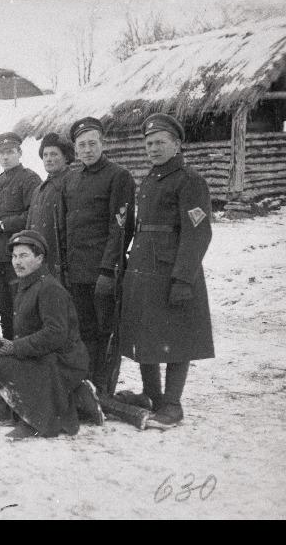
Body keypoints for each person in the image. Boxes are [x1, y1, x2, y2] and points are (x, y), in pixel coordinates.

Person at [118, 114, 214, 430]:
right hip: (143, 269)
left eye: (160, 142)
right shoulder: (150, 179)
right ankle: (152, 395)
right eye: (149, 143)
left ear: (176, 144)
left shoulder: (190, 181)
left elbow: (198, 233)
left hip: (172, 273)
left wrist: (183, 278)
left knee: (177, 337)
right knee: (147, 332)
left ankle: (172, 404)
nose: (154, 148)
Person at [0, 230, 100, 439]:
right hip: (42, 353)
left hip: (65, 359)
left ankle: (35, 421)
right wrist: (10, 345)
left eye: (24, 256)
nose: (17, 262)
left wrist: (16, 348)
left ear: (39, 258)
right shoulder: (27, 285)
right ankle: (74, 398)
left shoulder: (49, 288)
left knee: (17, 368)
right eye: (14, 256)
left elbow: (56, 334)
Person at [62, 117, 136, 393]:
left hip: (104, 273)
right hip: (77, 271)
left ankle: (105, 389)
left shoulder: (118, 176)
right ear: (76, 149)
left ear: (102, 144)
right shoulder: (72, 179)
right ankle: (88, 385)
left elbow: (121, 228)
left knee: (106, 332)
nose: (88, 150)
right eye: (82, 145)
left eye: (93, 144)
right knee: (83, 331)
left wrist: (109, 270)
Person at [0, 132, 42, 339]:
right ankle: (8, 349)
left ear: (19, 153)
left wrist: (3, 225)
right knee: (3, 308)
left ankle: (24, 352)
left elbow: (32, 215)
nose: (5, 157)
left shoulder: (30, 179)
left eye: (9, 152)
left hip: (20, 256)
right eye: (1, 153)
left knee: (22, 308)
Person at [26, 133, 75, 279]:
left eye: (54, 154)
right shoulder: (39, 189)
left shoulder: (72, 183)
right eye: (45, 155)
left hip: (61, 263)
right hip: (40, 260)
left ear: (66, 157)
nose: (48, 159)